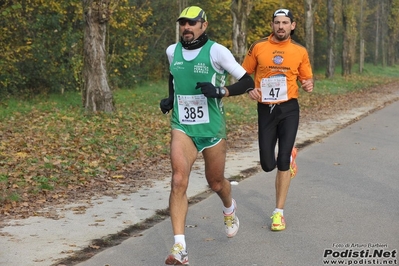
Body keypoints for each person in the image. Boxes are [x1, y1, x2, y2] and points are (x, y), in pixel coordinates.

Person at [159, 6, 254, 265]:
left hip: (212, 129)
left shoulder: (217, 51)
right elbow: (174, 75)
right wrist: (171, 97)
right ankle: (180, 248)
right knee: (179, 180)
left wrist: (221, 92)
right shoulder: (171, 51)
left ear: (204, 25)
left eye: (192, 23)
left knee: (215, 182)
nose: (186, 28)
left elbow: (248, 81)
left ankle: (229, 207)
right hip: (183, 126)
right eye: (183, 24)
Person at [241, 8, 314, 232]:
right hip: (266, 109)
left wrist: (308, 85)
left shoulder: (299, 51)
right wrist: (249, 89)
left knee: (281, 161)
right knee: (266, 164)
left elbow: (307, 78)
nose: (280, 26)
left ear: (292, 25)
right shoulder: (259, 47)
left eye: (285, 22)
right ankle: (290, 156)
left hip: (289, 108)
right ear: (272, 25)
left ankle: (278, 213)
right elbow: (244, 74)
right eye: (277, 22)